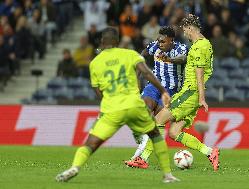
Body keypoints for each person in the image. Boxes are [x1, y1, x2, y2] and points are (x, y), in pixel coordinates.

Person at [55, 27, 180, 183]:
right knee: (155, 134)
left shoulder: (95, 63)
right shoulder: (129, 54)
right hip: (134, 105)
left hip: (112, 108)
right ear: (117, 41)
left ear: (102, 41)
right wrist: (163, 91)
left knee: (91, 143)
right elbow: (146, 72)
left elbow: (98, 90)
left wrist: (105, 107)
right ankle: (167, 175)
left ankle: (75, 167)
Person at [153, 14, 219, 171]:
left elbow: (199, 73)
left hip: (190, 93)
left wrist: (201, 98)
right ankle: (210, 152)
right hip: (190, 94)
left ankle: (144, 159)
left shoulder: (200, 46)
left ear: (190, 28)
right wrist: (169, 60)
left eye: (185, 30)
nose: (185, 34)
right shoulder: (203, 44)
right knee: (174, 132)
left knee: (157, 121)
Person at [125, 26, 188, 169]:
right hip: (153, 85)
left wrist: (170, 59)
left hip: (170, 90)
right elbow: (142, 54)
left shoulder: (180, 48)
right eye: (159, 40)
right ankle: (141, 147)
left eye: (163, 41)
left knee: (156, 122)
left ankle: (140, 155)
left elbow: (182, 59)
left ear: (171, 40)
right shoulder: (155, 45)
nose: (160, 43)